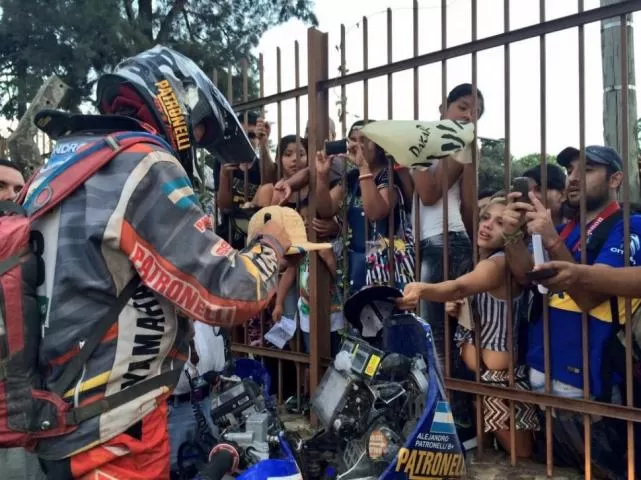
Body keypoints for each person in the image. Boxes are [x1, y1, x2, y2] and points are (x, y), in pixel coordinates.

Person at [23, 45, 291, 480]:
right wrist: (269, 245)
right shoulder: (140, 162)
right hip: (112, 438)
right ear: (177, 103)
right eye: (199, 132)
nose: (196, 142)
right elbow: (231, 292)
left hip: (56, 421)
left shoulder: (61, 167)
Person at [501, 145, 641, 477]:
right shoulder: (567, 227)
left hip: (589, 378)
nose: (574, 178)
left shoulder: (629, 225)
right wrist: (511, 236)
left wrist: (550, 239)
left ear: (615, 179)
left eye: (587, 169)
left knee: (603, 471)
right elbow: (527, 276)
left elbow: (589, 296)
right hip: (542, 369)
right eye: (570, 170)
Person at [397, 196, 538, 457]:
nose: (486, 226)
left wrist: (423, 288)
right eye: (485, 218)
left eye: (499, 223)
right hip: (477, 382)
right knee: (489, 458)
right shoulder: (480, 261)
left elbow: (460, 286)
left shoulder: (499, 263)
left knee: (523, 459)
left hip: (499, 384)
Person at [0, 160, 45, 480]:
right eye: (0, 187)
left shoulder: (35, 257)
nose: (11, 196)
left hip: (27, 436)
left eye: (19, 189)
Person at [214, 112, 276, 249]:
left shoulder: (264, 165)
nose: (247, 140)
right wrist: (224, 175)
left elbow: (270, 183)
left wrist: (263, 144)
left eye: (252, 136)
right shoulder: (223, 163)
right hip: (229, 236)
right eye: (243, 134)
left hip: (258, 238)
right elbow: (224, 207)